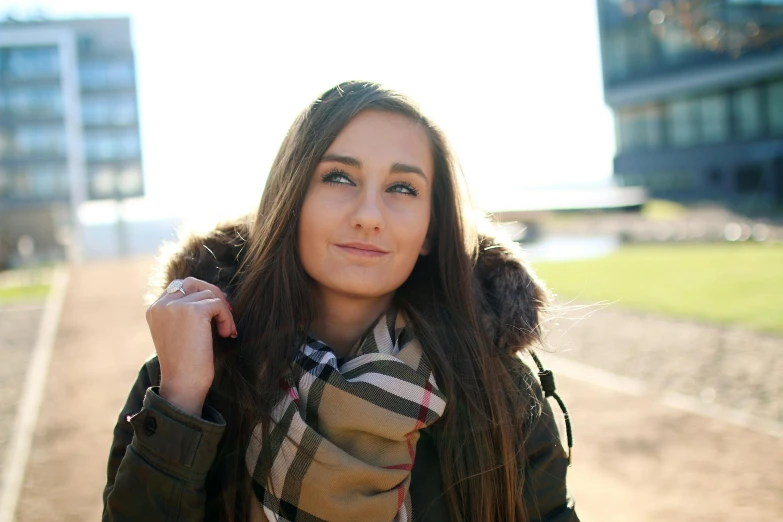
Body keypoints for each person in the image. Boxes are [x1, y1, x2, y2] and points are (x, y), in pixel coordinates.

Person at [102, 81, 578, 522]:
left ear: (430, 229)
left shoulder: (495, 387)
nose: (369, 215)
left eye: (402, 188)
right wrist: (182, 403)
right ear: (291, 200)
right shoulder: (188, 378)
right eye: (339, 178)